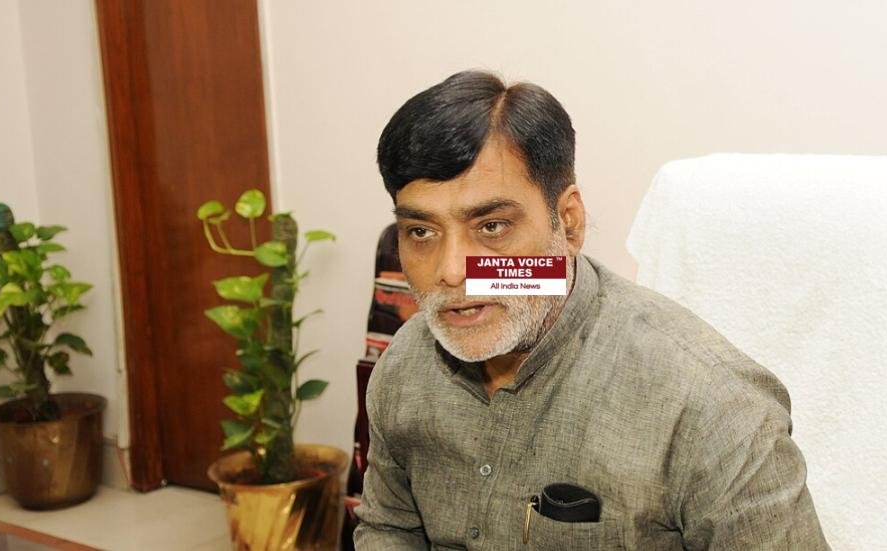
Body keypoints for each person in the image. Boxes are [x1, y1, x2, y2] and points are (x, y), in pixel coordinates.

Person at [354, 70, 828, 550]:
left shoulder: (713, 409)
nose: (452, 271)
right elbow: (388, 529)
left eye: (492, 226)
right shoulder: (405, 366)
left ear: (570, 224)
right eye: (421, 232)